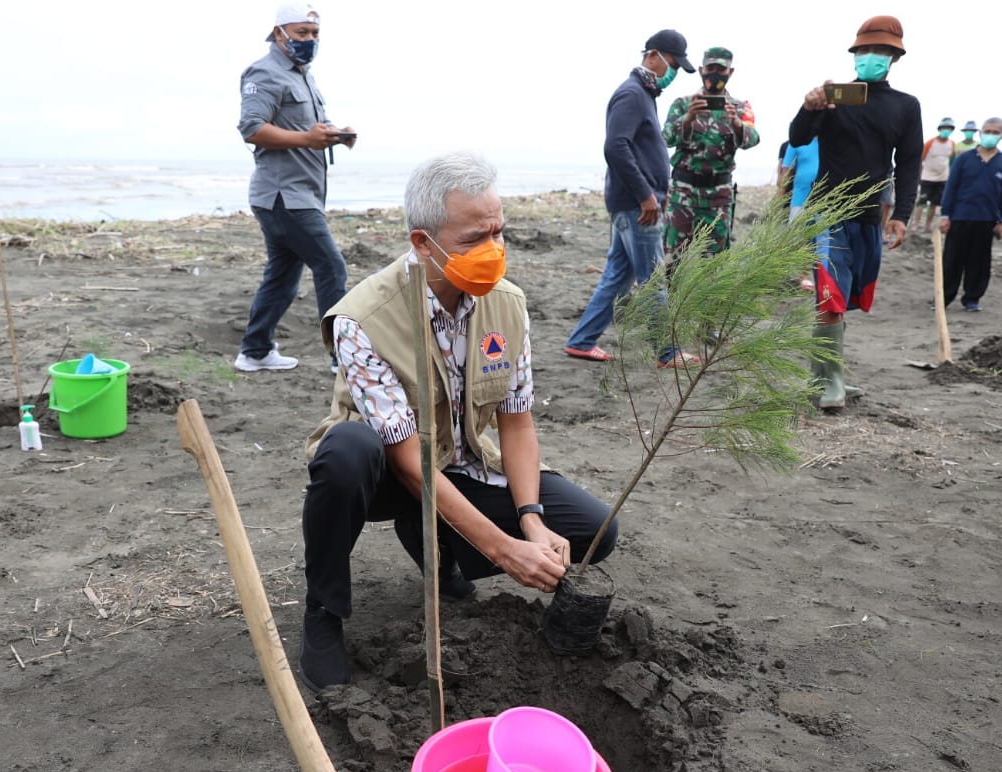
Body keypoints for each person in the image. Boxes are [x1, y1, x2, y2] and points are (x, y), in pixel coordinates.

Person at [297, 153, 620, 689]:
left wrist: (532, 521)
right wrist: (503, 548)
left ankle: (439, 553)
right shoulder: (362, 319)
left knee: (594, 531)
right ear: (422, 242)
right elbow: (408, 461)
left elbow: (516, 425)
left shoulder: (508, 306)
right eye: (474, 239)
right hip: (387, 474)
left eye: (498, 232)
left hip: (460, 464)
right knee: (346, 452)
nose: (492, 251)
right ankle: (323, 612)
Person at [788, 14, 922, 410]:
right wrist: (809, 107)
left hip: (869, 217)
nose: (872, 56)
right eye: (865, 50)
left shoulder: (905, 106)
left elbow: (910, 162)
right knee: (829, 298)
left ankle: (830, 376)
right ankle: (827, 385)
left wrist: (903, 214)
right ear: (854, 54)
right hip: (828, 213)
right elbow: (798, 137)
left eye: (881, 51)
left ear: (894, 57)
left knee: (848, 300)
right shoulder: (832, 98)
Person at [564, 30, 698, 368]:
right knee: (653, 279)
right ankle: (667, 353)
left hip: (633, 203)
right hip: (637, 206)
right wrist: (646, 196)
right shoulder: (632, 94)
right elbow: (615, 147)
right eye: (673, 64)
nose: (674, 73)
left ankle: (581, 341)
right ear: (653, 55)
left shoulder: (643, 94)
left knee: (617, 275)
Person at [234, 4, 357, 372]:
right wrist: (307, 137)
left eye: (314, 34)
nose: (309, 40)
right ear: (278, 33)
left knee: (283, 275)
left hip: (300, 194)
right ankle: (343, 358)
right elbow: (251, 128)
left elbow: (306, 132)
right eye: (301, 33)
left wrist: (334, 136)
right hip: (283, 196)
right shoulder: (264, 72)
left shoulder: (303, 75)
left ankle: (254, 352)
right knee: (331, 267)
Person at [661, 47, 761, 265]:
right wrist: (687, 120)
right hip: (682, 193)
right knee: (672, 261)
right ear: (701, 70)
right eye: (710, 68)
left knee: (714, 264)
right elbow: (666, 138)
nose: (715, 74)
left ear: (730, 72)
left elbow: (753, 139)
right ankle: (673, 300)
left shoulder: (740, 107)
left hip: (718, 196)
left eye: (721, 69)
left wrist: (736, 123)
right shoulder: (682, 104)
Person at [937, 117, 1002, 313]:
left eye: (996, 132)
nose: (991, 135)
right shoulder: (965, 158)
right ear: (981, 132)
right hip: (960, 217)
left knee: (979, 262)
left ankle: (972, 298)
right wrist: (945, 215)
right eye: (988, 131)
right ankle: (943, 298)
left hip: (987, 219)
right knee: (952, 260)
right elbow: (951, 187)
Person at [780, 136, 820, 290]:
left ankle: (803, 277)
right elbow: (786, 170)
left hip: (823, 198)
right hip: (799, 198)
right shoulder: (796, 141)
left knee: (815, 238)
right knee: (795, 238)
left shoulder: (831, 139)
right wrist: (780, 197)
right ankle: (789, 276)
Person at [912, 117, 957, 234]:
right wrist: (919, 176)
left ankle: (928, 225)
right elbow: (921, 159)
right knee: (922, 201)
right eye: (944, 128)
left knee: (934, 203)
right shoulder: (930, 143)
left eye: (948, 128)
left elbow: (952, 161)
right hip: (927, 177)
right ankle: (916, 224)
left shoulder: (952, 144)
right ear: (940, 128)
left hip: (942, 178)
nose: (946, 130)